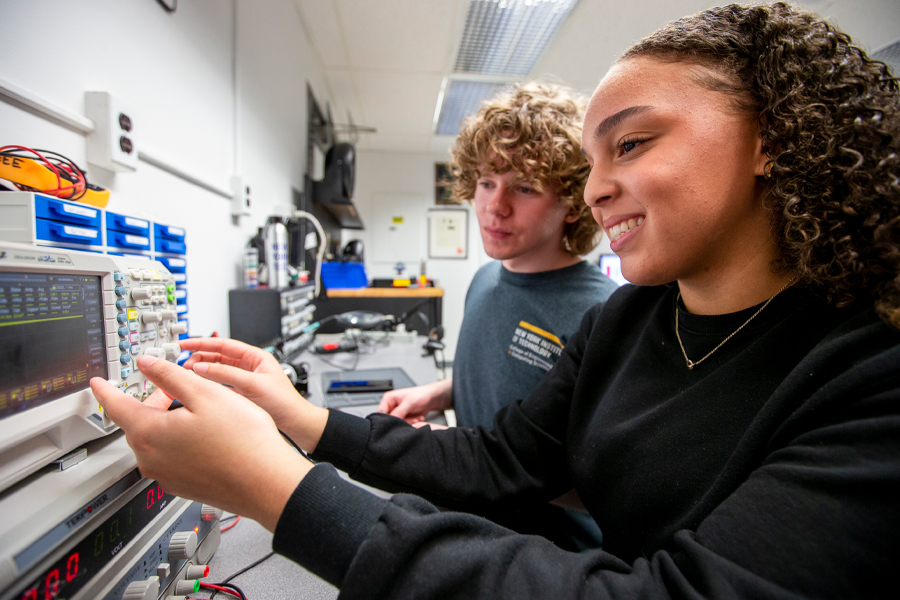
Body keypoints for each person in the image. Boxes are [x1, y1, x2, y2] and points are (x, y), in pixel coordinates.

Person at [91, 3, 900, 598]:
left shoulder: (871, 376)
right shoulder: (630, 322)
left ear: (771, 140)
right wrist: (299, 421)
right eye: (588, 161)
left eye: (631, 142)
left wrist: (276, 485)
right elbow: (502, 457)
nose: (598, 187)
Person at [379, 83, 617, 436]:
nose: (495, 206)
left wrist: (451, 447)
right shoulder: (485, 279)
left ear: (572, 203)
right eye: (487, 183)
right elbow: (496, 386)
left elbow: (586, 463)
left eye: (524, 188)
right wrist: (438, 394)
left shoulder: (602, 313)